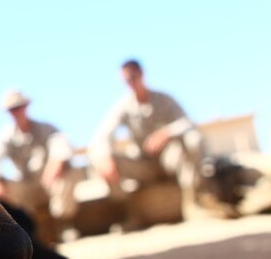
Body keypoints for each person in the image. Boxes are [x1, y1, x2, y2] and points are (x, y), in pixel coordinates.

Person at [89, 58, 215, 221]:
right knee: (101, 161)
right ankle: (126, 214)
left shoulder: (164, 99)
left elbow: (188, 122)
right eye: (126, 80)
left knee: (191, 140)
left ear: (142, 74)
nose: (131, 83)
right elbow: (103, 135)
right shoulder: (123, 106)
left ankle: (194, 202)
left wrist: (167, 132)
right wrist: (105, 158)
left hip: (170, 160)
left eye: (133, 77)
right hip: (143, 164)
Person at [0, 90, 80, 244]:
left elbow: (62, 144)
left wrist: (56, 163)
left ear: (26, 106)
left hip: (51, 184)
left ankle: (65, 225)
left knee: (68, 172)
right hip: (28, 189)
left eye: (19, 107)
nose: (16, 112)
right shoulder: (6, 136)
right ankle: (32, 233)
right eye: (12, 109)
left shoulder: (46, 128)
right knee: (0, 187)